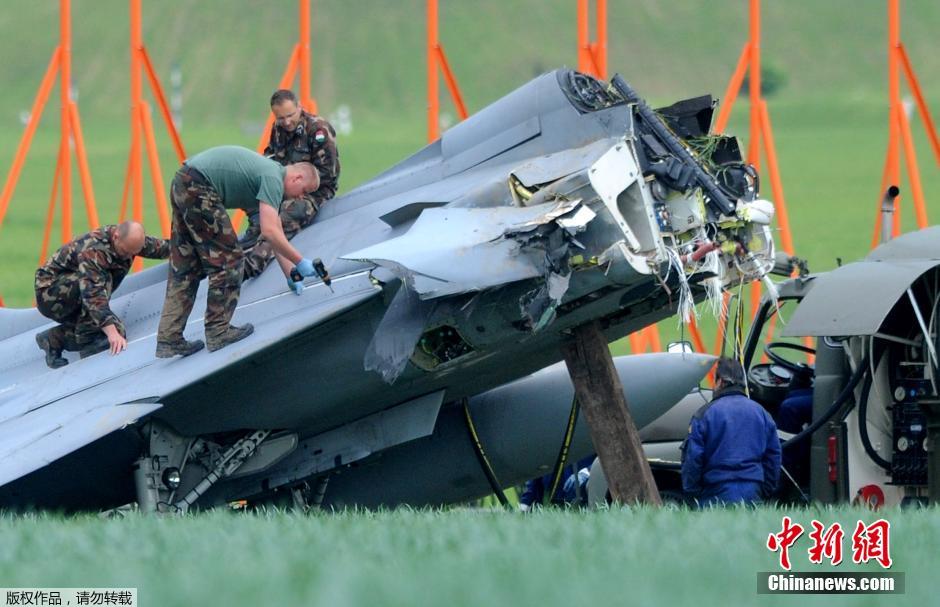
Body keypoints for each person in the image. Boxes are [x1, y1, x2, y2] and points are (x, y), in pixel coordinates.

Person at [155, 145, 321, 358]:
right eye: (304, 192)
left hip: (184, 181)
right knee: (229, 260)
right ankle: (218, 331)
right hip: (200, 186)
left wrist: (291, 273)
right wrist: (300, 261)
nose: (300, 199)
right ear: (297, 178)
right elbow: (270, 232)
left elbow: (274, 227)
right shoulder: (273, 179)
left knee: (185, 265)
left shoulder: (270, 173)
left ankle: (170, 338)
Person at [34, 221, 169, 368]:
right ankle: (88, 345)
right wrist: (111, 332)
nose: (127, 257)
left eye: (133, 253)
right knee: (108, 330)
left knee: (118, 332)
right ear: (116, 236)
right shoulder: (94, 251)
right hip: (51, 295)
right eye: (125, 251)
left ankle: (54, 339)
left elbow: (162, 248)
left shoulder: (129, 242)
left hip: (83, 291)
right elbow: (93, 294)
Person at [241, 89, 340, 279]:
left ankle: (253, 264)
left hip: (313, 191)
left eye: (290, 115)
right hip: (285, 185)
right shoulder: (278, 130)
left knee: (284, 216)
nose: (286, 122)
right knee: (257, 202)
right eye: (280, 118)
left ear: (299, 107)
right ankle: (252, 237)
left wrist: (294, 188)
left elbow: (327, 176)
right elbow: (270, 159)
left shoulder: (319, 131)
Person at [681, 357, 781, 506]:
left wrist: (692, 492)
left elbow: (693, 458)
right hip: (752, 491)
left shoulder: (703, 415)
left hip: (714, 493)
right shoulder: (762, 413)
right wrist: (766, 490)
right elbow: (773, 456)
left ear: (720, 381)